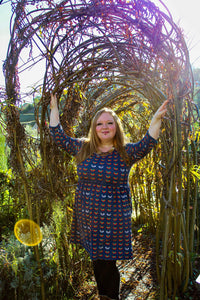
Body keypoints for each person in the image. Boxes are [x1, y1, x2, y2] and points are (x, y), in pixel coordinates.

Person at [49, 93, 168, 300]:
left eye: (109, 123)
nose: (104, 127)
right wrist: (54, 109)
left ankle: (109, 296)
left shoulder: (125, 152)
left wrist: (156, 119)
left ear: (116, 126)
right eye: (99, 124)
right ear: (94, 128)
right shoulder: (83, 147)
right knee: (97, 260)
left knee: (107, 262)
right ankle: (105, 295)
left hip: (113, 219)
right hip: (88, 217)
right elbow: (58, 136)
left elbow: (148, 142)